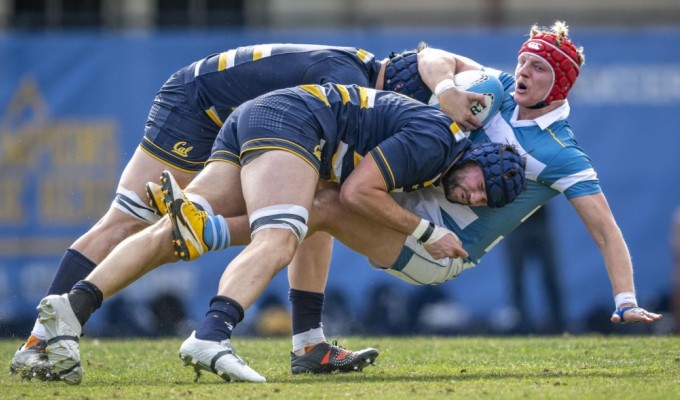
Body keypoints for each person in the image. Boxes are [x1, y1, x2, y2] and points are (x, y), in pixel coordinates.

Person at [155, 20, 661, 342]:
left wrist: (626, 300)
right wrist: (444, 87)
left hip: (441, 248)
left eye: (539, 68)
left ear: (561, 86)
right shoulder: (499, 90)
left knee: (327, 206)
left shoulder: (563, 153)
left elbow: (606, 230)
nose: (524, 70)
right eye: (523, 59)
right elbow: (428, 56)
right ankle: (308, 342)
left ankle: (209, 230)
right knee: (319, 189)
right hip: (408, 205)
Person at [10, 43, 488, 379]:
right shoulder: (358, 83)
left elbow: (431, 56)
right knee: (130, 220)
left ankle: (308, 341)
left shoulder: (367, 71)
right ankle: (39, 341)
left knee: (306, 206)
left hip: (248, 118)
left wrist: (447, 84)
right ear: (404, 88)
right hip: (202, 105)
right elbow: (429, 60)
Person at [503, 204, 564, 333]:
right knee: (516, 280)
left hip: (539, 219)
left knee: (551, 276)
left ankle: (559, 324)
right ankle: (521, 325)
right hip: (513, 223)